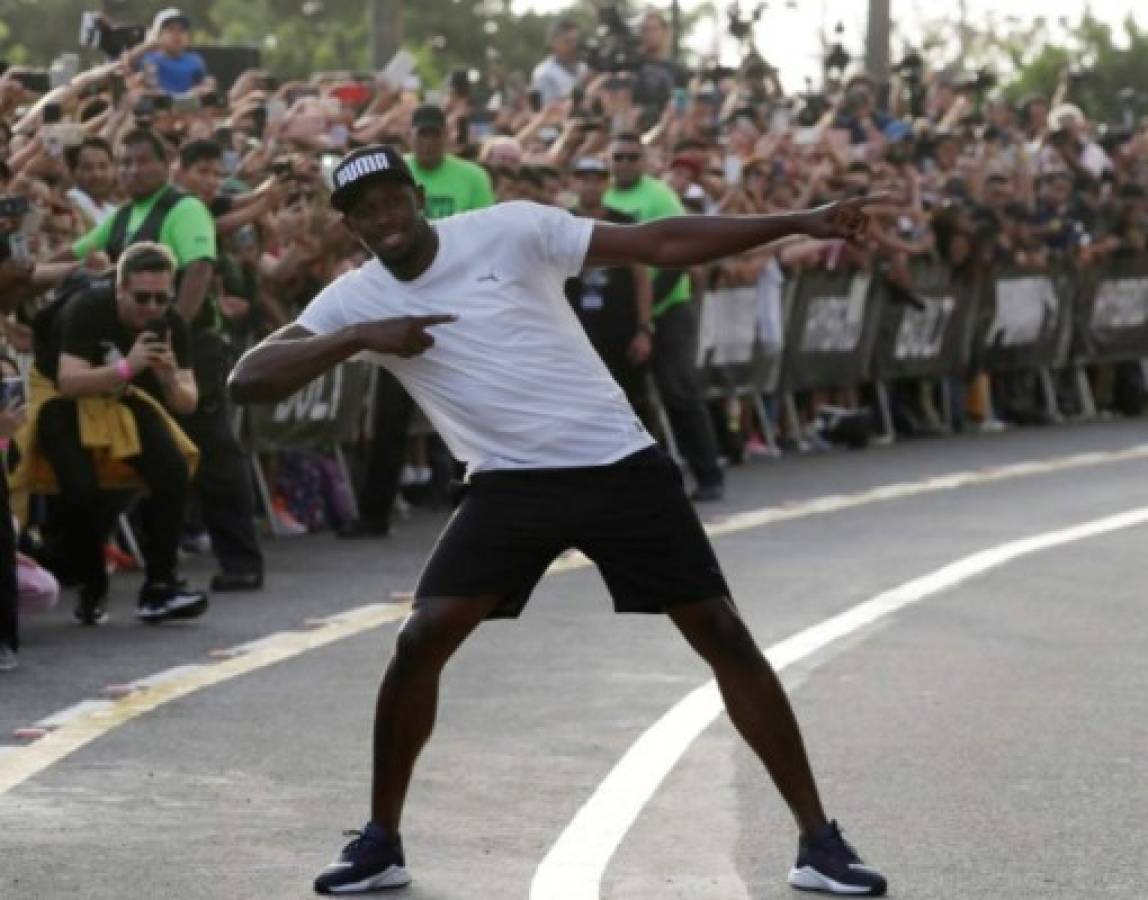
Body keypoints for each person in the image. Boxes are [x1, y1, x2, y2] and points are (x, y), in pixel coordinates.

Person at [228, 144, 888, 898]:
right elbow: (245, 381)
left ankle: (818, 842)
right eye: (365, 209)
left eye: (393, 198)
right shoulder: (355, 299)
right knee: (420, 639)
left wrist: (798, 223)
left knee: (723, 633)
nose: (385, 216)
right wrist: (357, 338)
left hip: (616, 462)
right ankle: (380, 843)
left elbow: (659, 243)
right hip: (508, 485)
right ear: (350, 225)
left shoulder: (512, 230)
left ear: (418, 195)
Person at [61, 128, 265, 592]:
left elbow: (198, 268)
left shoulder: (184, 207)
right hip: (138, 356)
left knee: (212, 452)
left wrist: (171, 334)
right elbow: (73, 257)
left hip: (189, 348)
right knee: (133, 453)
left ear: (164, 164)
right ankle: (80, 556)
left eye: (140, 161)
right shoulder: (123, 218)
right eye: (124, 163)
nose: (131, 170)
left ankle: (241, 561)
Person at [338, 109, 497, 538]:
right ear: (411, 137)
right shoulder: (389, 173)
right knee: (388, 418)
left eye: (435, 134)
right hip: (402, 307)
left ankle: (491, 507)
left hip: (459, 307)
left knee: (478, 413)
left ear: (447, 136)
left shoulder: (472, 177)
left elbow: (483, 238)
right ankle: (374, 513)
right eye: (421, 135)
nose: (428, 142)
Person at [30, 242, 207, 624]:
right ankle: (92, 587)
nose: (151, 308)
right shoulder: (90, 308)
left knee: (173, 469)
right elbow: (69, 381)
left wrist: (167, 378)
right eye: (141, 297)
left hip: (118, 396)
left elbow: (187, 401)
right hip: (61, 400)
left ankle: (161, 585)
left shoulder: (168, 323)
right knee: (81, 491)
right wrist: (129, 367)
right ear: (120, 289)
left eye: (162, 298)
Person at [605, 133, 726, 500]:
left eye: (631, 157)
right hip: (623, 313)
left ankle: (708, 474)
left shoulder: (659, 196)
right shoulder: (604, 200)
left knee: (679, 391)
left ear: (643, 161)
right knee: (625, 398)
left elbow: (679, 253)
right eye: (618, 158)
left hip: (669, 305)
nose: (624, 164)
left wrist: (649, 307)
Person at [564, 156, 659, 435]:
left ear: (607, 184)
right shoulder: (562, 222)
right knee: (580, 405)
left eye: (597, 179)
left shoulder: (624, 222)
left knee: (630, 401)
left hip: (620, 328)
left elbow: (642, 278)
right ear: (573, 182)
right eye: (584, 179)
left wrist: (644, 329)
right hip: (576, 330)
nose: (590, 186)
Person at [139, 8, 214, 97]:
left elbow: (205, 84)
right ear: (159, 36)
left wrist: (206, 87)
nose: (177, 34)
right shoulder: (151, 60)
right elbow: (151, 88)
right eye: (171, 30)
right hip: (163, 105)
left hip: (191, 106)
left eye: (181, 30)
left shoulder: (195, 60)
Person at [64, 136, 118, 230]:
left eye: (103, 166)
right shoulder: (68, 205)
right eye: (87, 168)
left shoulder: (114, 212)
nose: (97, 175)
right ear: (72, 172)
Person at [531, 18, 588, 105]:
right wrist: (588, 85)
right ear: (553, 43)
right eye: (568, 41)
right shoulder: (545, 73)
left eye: (576, 40)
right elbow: (551, 110)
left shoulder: (583, 67)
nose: (574, 45)